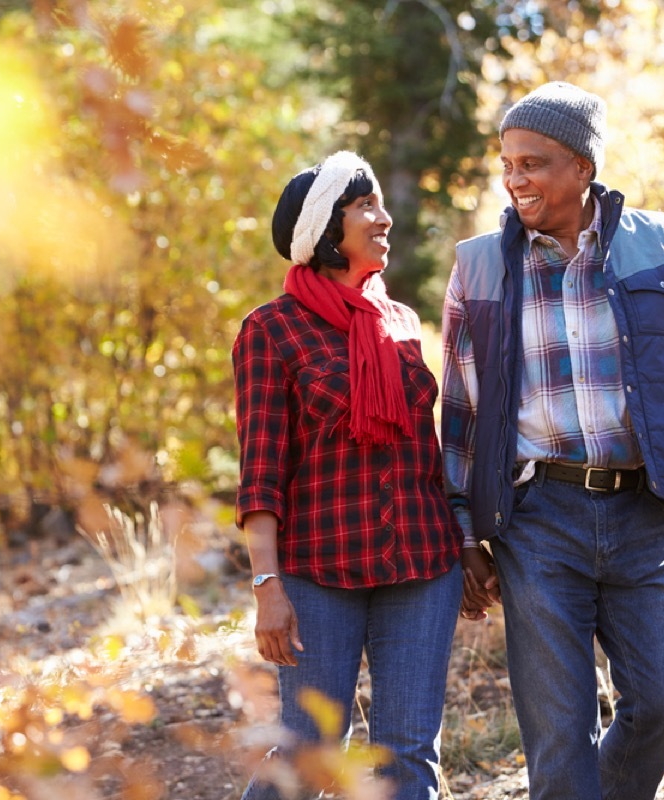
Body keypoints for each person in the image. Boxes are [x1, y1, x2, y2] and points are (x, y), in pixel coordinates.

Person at [440, 82, 664, 800]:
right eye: (508, 163)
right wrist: (465, 531)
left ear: (582, 167)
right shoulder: (480, 267)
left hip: (642, 511)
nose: (515, 178)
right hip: (538, 522)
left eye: (534, 162)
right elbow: (460, 415)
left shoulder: (657, 243)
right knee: (560, 741)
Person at [233, 150, 463, 800]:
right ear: (325, 231)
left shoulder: (399, 323)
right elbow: (260, 474)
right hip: (318, 575)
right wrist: (266, 585)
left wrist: (467, 545)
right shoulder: (270, 331)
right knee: (309, 754)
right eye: (366, 205)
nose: (384, 218)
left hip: (421, 566)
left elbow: (430, 449)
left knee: (408, 758)